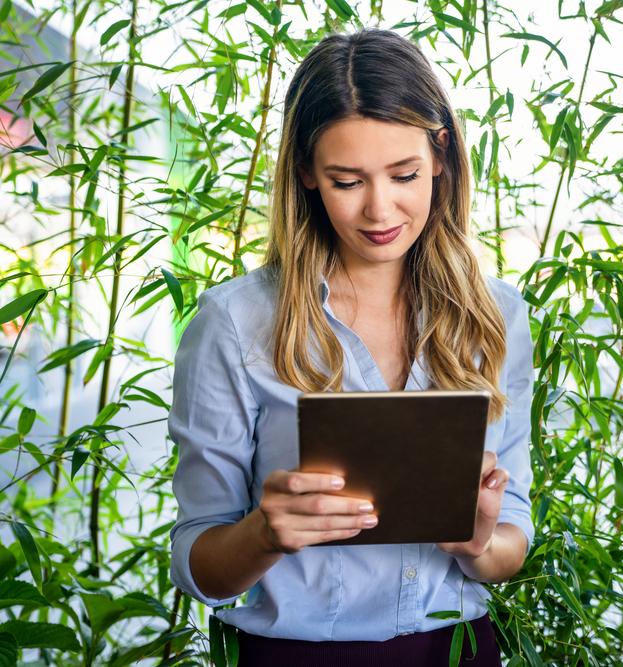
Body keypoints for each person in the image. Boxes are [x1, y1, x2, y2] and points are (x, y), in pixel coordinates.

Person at [167, 27, 536, 666]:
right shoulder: (232, 322)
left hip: (455, 652)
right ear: (306, 172)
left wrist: (476, 541)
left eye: (404, 174)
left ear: (442, 156)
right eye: (346, 181)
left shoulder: (495, 315)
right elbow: (199, 565)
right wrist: (264, 533)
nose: (379, 209)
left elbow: (511, 544)